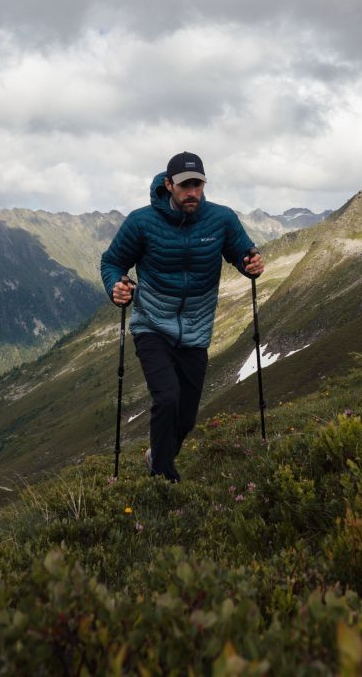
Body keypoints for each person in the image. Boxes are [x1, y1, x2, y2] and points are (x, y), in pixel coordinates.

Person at [100, 151, 265, 482]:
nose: (192, 192)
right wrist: (116, 286)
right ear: (168, 185)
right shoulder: (141, 222)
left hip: (196, 330)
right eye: (185, 185)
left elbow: (242, 253)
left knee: (186, 417)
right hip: (152, 326)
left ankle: (155, 458)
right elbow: (112, 261)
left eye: (198, 185)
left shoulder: (221, 219)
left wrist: (251, 264)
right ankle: (163, 478)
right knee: (167, 399)